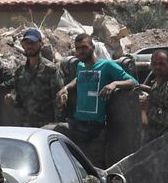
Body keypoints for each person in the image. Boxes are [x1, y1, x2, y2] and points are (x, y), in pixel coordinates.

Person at [57, 33, 138, 165]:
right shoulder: (80, 66)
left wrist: (114, 84)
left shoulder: (107, 66)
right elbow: (79, 78)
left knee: (95, 168)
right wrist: (66, 87)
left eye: (84, 47)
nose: (80, 51)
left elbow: (133, 81)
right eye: (77, 48)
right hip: (78, 126)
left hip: (97, 130)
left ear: (92, 47)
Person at [0, 28, 63, 128]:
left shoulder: (51, 70)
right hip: (25, 126)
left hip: (46, 127)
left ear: (41, 44)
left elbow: (58, 101)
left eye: (33, 42)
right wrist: (11, 99)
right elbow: (18, 99)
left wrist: (56, 126)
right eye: (26, 43)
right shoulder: (20, 71)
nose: (29, 46)